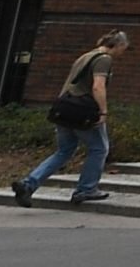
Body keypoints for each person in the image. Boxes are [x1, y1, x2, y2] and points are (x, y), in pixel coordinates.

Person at [14, 30, 130, 205]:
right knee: (99, 148)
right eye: (124, 48)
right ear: (118, 45)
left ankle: (28, 184)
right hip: (83, 111)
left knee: (64, 151)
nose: (123, 53)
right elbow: (98, 86)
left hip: (65, 109)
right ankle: (86, 189)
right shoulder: (104, 59)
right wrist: (103, 111)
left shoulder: (85, 56)